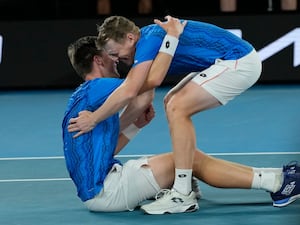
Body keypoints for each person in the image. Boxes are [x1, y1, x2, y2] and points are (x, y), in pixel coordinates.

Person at [66, 16, 300, 214]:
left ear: (129, 38)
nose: (116, 59)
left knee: (177, 106)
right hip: (233, 60)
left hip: (237, 62)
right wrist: (134, 122)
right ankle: (275, 179)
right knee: (172, 103)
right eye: (111, 56)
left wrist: (95, 119)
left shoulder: (147, 40)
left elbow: (137, 87)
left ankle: (182, 192)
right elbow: (143, 90)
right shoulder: (145, 42)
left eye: (115, 53)